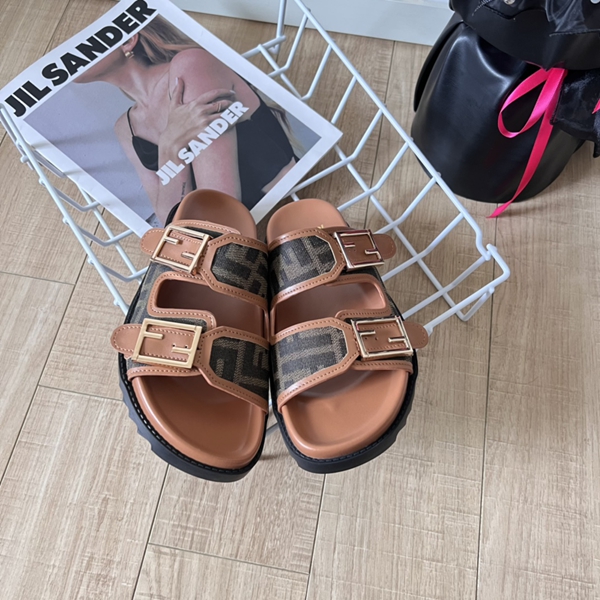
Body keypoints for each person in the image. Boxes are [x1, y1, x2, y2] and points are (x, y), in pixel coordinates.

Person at [76, 17, 298, 223]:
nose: (75, 53)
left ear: (127, 41)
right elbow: (168, 218)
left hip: (285, 211)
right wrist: (169, 147)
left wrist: (173, 151)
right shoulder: (126, 128)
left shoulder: (191, 66)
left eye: (84, 43)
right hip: (224, 235)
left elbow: (221, 208)